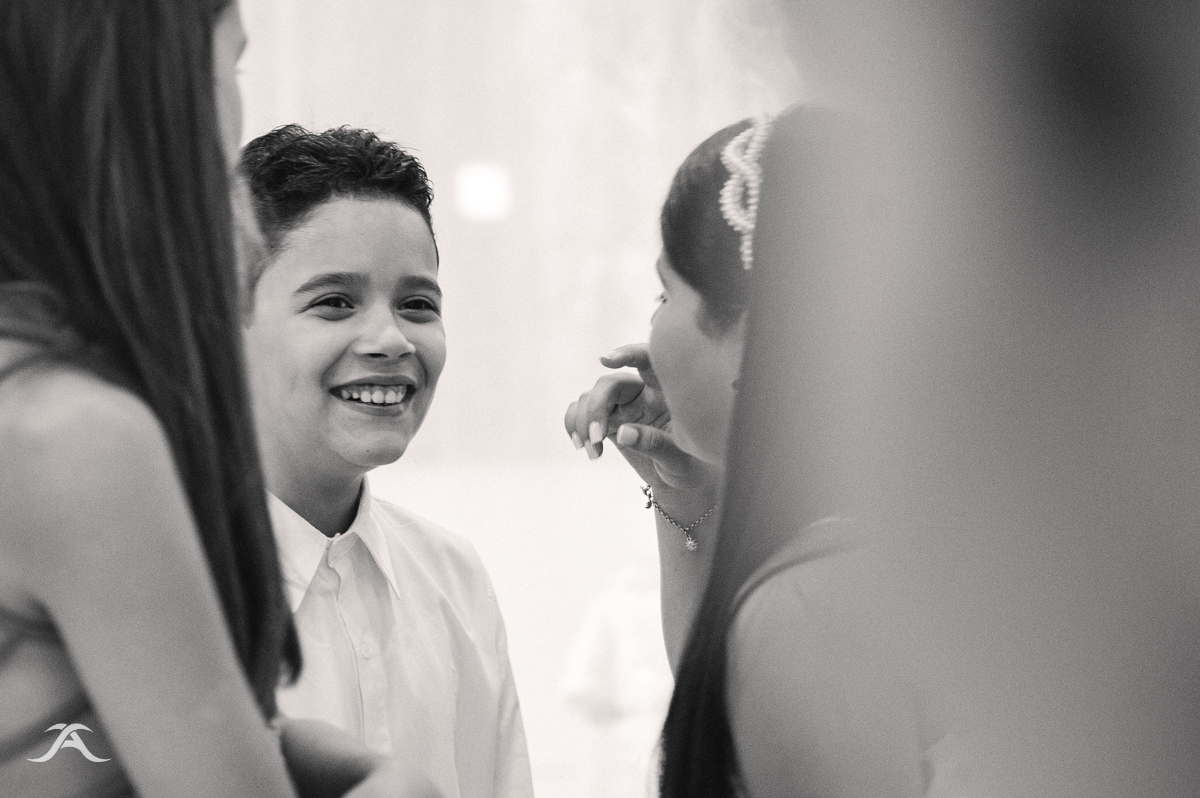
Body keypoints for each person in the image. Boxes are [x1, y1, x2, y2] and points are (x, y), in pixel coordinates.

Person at [0, 2, 434, 796]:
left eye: (419, 303)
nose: (388, 339)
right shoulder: (74, 435)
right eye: (229, 68)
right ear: (148, 97)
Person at [565, 108, 940, 797]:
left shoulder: (807, 611)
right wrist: (683, 494)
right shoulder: (910, 546)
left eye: (664, 292)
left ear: (751, 329)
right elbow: (725, 716)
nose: (652, 329)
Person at [239, 124, 533, 798]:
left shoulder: (452, 575)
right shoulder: (170, 583)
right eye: (334, 303)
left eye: (417, 304)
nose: (391, 339)